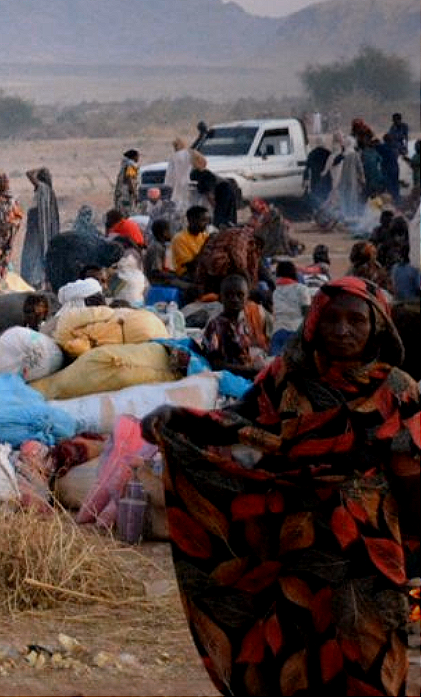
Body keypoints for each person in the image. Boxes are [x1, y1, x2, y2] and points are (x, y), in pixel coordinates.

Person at [141, 277, 419, 697]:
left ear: (377, 326)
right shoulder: (288, 376)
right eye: (332, 320)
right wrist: (177, 419)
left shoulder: (397, 389)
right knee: (297, 644)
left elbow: (411, 475)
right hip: (297, 537)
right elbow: (243, 420)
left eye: (356, 320)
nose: (343, 330)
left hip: (370, 545)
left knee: (370, 648)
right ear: (314, 324)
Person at [201, 274, 268, 378]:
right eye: (228, 295)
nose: (234, 299)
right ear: (221, 298)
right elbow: (215, 364)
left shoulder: (242, 323)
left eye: (240, 295)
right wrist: (249, 371)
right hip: (227, 379)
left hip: (244, 375)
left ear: (247, 297)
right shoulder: (216, 325)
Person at [20, 167, 61, 289]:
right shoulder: (47, 193)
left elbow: (28, 173)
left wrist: (41, 169)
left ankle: (34, 285)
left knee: (33, 259)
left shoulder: (43, 189)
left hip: (37, 234)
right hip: (41, 233)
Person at [269, 260, 311, 356]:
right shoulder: (302, 289)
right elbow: (307, 313)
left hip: (278, 332)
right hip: (297, 332)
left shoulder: (275, 292)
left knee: (276, 364)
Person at [171, 206, 210, 279]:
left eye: (207, 221)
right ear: (191, 220)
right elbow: (191, 266)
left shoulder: (205, 236)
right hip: (187, 275)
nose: (206, 224)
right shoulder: (179, 239)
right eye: (203, 220)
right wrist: (206, 245)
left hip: (202, 271)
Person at [164, 137, 201, 214]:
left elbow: (170, 173)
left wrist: (168, 184)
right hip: (189, 181)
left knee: (178, 203)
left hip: (177, 183)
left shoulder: (174, 156)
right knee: (188, 201)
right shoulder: (190, 154)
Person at [113, 149, 140, 216]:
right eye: (137, 156)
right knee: (126, 213)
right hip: (126, 194)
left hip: (120, 193)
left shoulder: (124, 165)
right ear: (133, 157)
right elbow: (130, 179)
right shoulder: (131, 165)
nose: (138, 158)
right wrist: (134, 194)